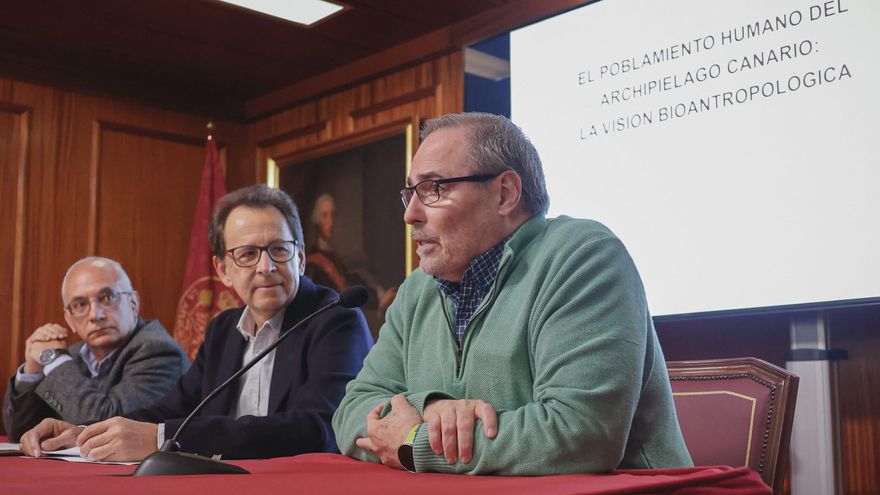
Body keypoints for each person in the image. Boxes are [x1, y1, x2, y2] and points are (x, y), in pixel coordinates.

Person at [332, 112, 692, 475]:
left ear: (504, 193)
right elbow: (351, 411)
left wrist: (415, 442)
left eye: (433, 189)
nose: (410, 214)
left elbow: (581, 434)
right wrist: (429, 408)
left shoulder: (584, 256)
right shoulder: (416, 290)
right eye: (411, 193)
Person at [19, 185, 373, 461]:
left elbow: (318, 428)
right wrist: (84, 432)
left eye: (279, 250)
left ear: (300, 258)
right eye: (248, 254)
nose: (265, 267)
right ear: (223, 270)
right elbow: (172, 408)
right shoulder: (223, 330)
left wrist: (161, 438)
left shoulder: (336, 319)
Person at [3, 257, 188, 441]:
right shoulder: (74, 355)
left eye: (108, 298)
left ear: (134, 304)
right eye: (81, 304)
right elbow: (19, 432)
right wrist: (33, 369)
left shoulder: (159, 352)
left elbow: (110, 428)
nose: (95, 315)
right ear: (69, 319)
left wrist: (54, 359)